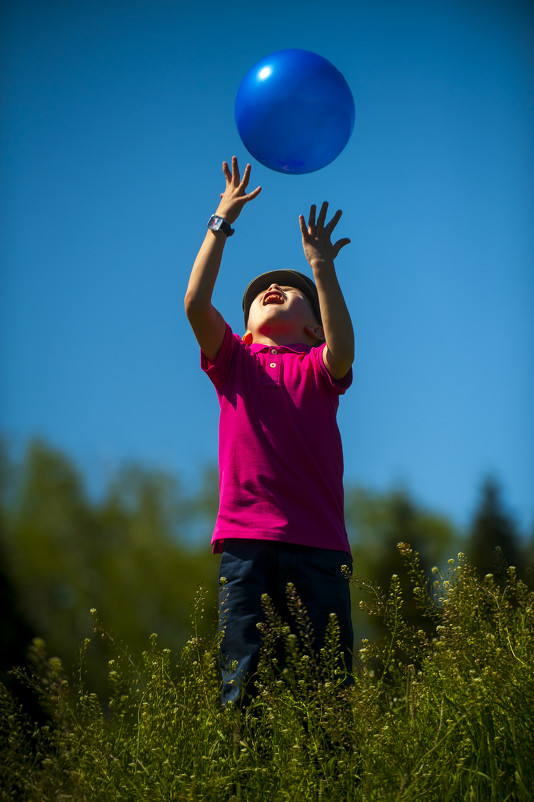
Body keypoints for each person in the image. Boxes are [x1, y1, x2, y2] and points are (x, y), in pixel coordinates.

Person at [184, 156, 355, 704]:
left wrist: (322, 268)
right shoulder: (235, 363)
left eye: (289, 289)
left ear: (313, 326)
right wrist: (221, 219)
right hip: (247, 546)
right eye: (261, 293)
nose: (272, 290)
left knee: (326, 695)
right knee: (244, 688)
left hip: (320, 549)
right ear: (246, 327)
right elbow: (194, 304)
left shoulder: (318, 368)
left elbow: (344, 347)